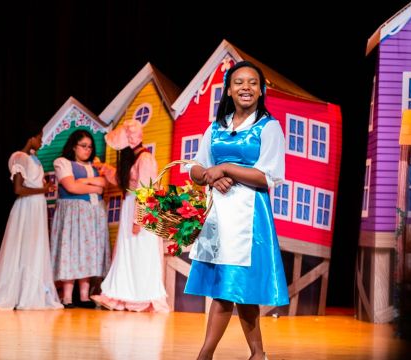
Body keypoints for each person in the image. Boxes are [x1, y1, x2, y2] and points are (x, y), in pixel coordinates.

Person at [184, 60, 289, 360]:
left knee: (228, 288)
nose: (246, 87)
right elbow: (193, 167)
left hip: (250, 217)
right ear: (229, 90)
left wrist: (226, 167)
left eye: (252, 83)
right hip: (218, 217)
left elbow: (268, 176)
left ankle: (204, 355)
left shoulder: (268, 127)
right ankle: (258, 354)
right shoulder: (215, 128)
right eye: (239, 82)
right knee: (236, 288)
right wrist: (209, 176)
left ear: (261, 90)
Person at [0, 128, 63, 311]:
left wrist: (43, 186)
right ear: (31, 138)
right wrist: (42, 190)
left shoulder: (32, 158)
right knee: (24, 246)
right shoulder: (19, 158)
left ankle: (29, 291)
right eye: (40, 137)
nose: (41, 141)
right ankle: (18, 293)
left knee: (33, 247)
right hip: (27, 207)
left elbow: (31, 182)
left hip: (36, 207)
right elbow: (18, 189)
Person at [90, 120, 169, 312]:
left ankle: (141, 296)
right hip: (129, 206)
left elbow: (145, 191)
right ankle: (122, 294)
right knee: (128, 252)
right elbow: (123, 179)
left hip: (141, 210)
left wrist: (138, 219)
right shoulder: (135, 159)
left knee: (141, 252)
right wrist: (104, 168)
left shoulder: (145, 159)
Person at [50, 129, 111, 309]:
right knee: (71, 249)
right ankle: (67, 296)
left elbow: (104, 185)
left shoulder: (95, 166)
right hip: (73, 212)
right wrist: (92, 185)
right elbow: (70, 187)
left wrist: (82, 182)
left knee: (87, 251)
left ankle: (84, 296)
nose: (87, 150)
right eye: (83, 146)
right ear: (74, 146)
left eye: (90, 147)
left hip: (92, 213)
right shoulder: (63, 162)